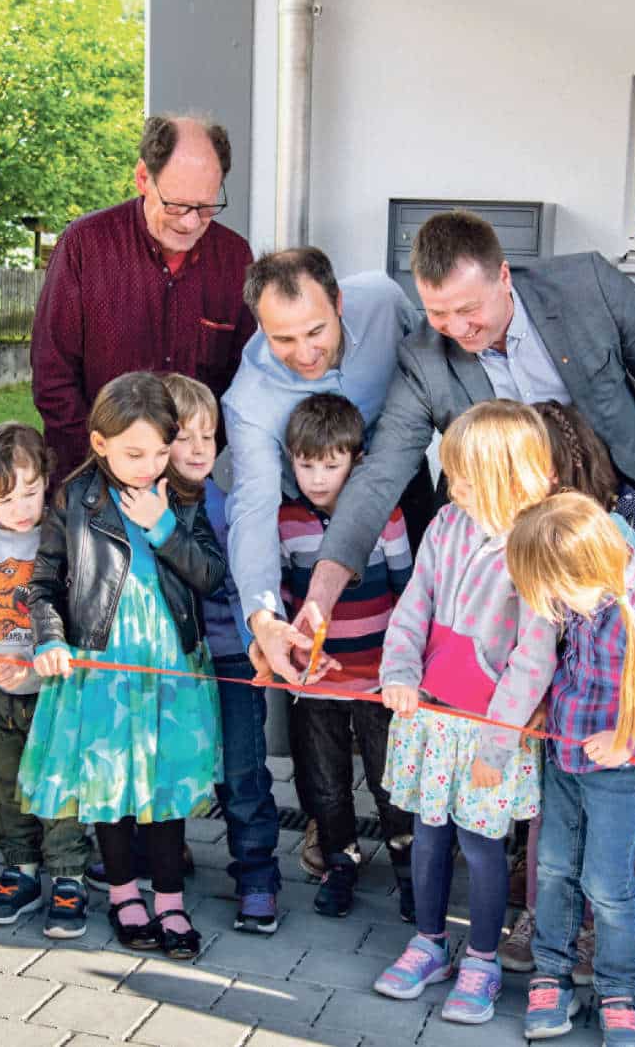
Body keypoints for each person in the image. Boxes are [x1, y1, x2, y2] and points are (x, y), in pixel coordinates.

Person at [263, 210, 635, 683]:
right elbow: (381, 473)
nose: (457, 327)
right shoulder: (423, 359)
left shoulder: (588, 285)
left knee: (623, 656)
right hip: (501, 543)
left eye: (469, 309)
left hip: (607, 506)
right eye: (438, 313)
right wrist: (320, 596)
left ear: (503, 276)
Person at [220, 249, 423, 898]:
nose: (305, 353)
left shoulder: (382, 301)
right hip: (303, 521)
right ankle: (328, 829)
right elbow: (253, 512)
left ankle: (418, 833)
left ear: (338, 303)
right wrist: (263, 618)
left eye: (315, 331)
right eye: (283, 339)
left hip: (396, 478)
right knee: (319, 733)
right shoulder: (249, 400)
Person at [21, 372, 225, 960]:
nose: (150, 465)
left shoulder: (180, 496)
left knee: (164, 785)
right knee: (108, 783)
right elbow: (43, 584)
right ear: (100, 442)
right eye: (134, 454)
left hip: (168, 664)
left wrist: (164, 527)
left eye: (160, 451)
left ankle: (170, 899)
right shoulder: (75, 499)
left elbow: (211, 576)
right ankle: (123, 893)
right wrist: (49, 638)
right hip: (101, 664)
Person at [370, 401, 558, 1025]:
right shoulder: (447, 524)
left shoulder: (534, 546)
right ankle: (428, 943)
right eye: (453, 476)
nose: (455, 490)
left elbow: (533, 659)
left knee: (481, 846)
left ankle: (482, 958)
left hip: (487, 734)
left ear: (512, 477)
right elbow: (415, 602)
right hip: (431, 717)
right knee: (428, 835)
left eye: (469, 479)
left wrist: (497, 745)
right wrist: (399, 674)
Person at [507, 492, 635, 1046]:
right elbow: (574, 664)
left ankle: (618, 991)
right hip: (564, 758)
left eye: (547, 585)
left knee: (607, 884)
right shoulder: (581, 598)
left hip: (617, 776)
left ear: (580, 568)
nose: (545, 599)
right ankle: (552, 975)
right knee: (553, 868)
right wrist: (546, 705)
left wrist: (630, 743)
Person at [31, 114, 256, 484]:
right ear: (142, 178)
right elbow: (52, 377)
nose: (190, 223)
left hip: (187, 487)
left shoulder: (234, 258)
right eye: (176, 205)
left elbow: (244, 380)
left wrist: (193, 457)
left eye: (205, 206)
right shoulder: (84, 245)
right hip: (91, 478)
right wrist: (110, 465)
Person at [277, 393, 414, 921]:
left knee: (389, 779)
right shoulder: (288, 521)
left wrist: (404, 670)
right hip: (314, 682)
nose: (317, 478)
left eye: (330, 466)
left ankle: (409, 867)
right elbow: (285, 596)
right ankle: (340, 861)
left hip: (378, 680)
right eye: (305, 465)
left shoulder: (387, 519)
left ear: (357, 462)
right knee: (325, 781)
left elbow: (407, 594)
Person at [0, 422, 95, 938]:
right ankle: (21, 869)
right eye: (5, 498)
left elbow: (83, 610)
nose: (20, 507)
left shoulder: (63, 537)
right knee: (4, 781)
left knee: (58, 782)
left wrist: (45, 661)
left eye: (31, 492)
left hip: (53, 689)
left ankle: (69, 873)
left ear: (46, 478)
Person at [160, 372, 273, 933]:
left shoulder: (227, 507)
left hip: (230, 658)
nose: (200, 448)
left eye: (208, 435)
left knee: (242, 771)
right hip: (169, 661)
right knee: (166, 764)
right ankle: (160, 859)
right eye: (184, 436)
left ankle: (256, 876)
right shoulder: (144, 504)